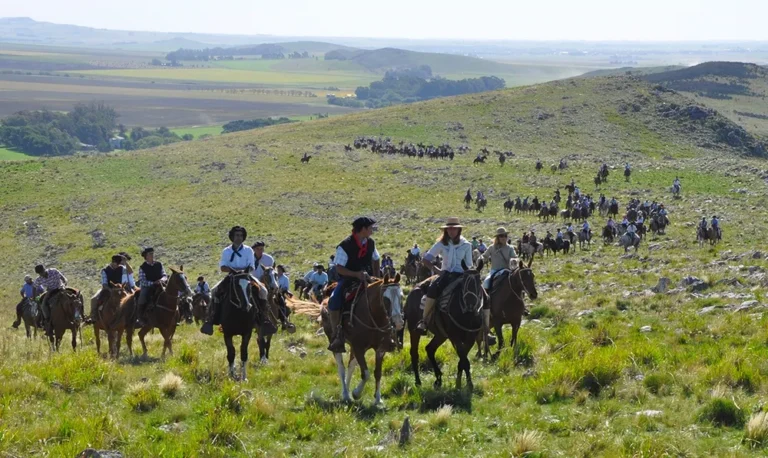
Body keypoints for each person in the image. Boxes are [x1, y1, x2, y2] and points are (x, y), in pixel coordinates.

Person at [327, 216, 382, 352]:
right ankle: (337, 335)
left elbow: (376, 259)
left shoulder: (371, 243)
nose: (372, 230)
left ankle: (389, 330)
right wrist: (356, 274)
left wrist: (377, 277)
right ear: (363, 229)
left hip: (368, 278)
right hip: (348, 280)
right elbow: (339, 268)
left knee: (387, 294)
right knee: (334, 300)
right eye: (370, 228)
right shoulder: (345, 245)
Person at [416, 217, 474, 332]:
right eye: (449, 228)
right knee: (432, 289)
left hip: (462, 275)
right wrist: (437, 271)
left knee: (480, 292)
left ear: (459, 230)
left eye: (454, 228)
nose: (451, 231)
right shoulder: (441, 244)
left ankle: (484, 325)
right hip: (446, 275)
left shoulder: (466, 245)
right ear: (446, 230)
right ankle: (424, 320)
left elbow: (469, 264)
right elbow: (426, 259)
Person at [481, 227, 525, 327]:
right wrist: (480, 259)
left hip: (507, 271)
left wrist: (514, 260)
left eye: (505, 236)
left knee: (519, 284)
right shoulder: (492, 248)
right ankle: (485, 306)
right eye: (501, 236)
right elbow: (485, 256)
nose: (504, 238)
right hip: (494, 271)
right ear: (498, 237)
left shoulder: (510, 248)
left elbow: (515, 257)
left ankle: (522, 306)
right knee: (486, 283)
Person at [87, 254, 127, 324]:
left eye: (119, 264)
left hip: (120, 289)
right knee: (94, 299)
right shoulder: (105, 270)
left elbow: (124, 280)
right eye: (117, 264)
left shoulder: (123, 269)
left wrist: (120, 288)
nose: (118, 265)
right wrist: (111, 291)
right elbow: (104, 284)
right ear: (113, 262)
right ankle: (93, 316)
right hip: (108, 289)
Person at [32, 264, 68, 335]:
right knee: (43, 305)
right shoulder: (39, 279)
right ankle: (48, 320)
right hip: (50, 291)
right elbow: (34, 287)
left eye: (42, 272)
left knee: (72, 299)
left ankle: (77, 316)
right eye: (40, 273)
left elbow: (63, 278)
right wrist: (34, 297)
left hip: (60, 288)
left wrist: (64, 285)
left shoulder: (53, 271)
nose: (42, 274)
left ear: (44, 269)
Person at [135, 248, 167, 327]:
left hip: (160, 284)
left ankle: (177, 314)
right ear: (146, 256)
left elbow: (164, 275)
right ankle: (140, 317)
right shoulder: (142, 267)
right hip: (148, 286)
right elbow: (142, 281)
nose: (152, 255)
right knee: (142, 296)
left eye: (152, 253)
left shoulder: (159, 264)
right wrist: (153, 283)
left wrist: (161, 280)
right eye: (150, 254)